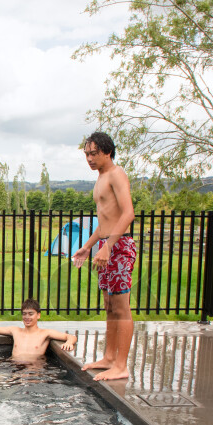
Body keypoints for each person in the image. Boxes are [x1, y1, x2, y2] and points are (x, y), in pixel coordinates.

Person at [71, 132, 136, 381]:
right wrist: (88, 246)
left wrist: (109, 245)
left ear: (107, 151)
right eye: (86, 154)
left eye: (93, 153)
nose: (89, 158)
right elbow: (104, 223)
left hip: (119, 247)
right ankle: (109, 358)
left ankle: (121, 365)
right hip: (107, 247)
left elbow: (128, 213)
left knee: (121, 308)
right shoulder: (100, 179)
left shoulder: (117, 174)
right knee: (109, 306)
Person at [0, 298, 77, 362]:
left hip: (34, 370)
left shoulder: (45, 334)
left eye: (30, 314)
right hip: (13, 366)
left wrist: (69, 342)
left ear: (38, 315)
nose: (27, 317)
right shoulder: (16, 331)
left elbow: (71, 337)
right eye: (24, 314)